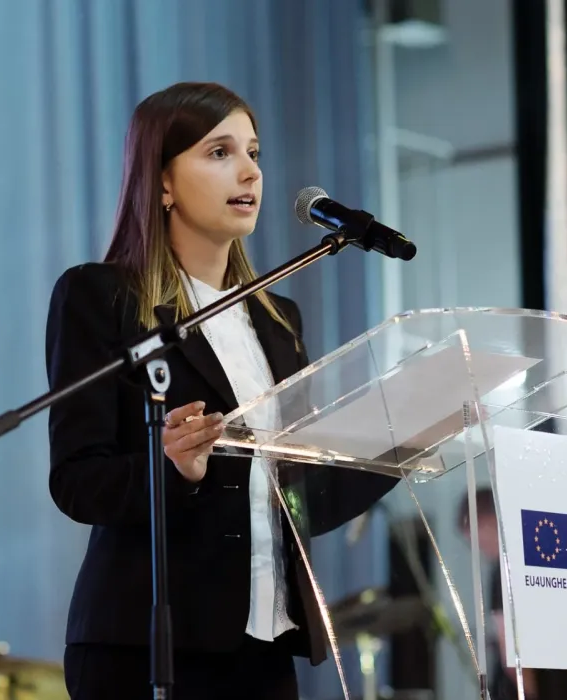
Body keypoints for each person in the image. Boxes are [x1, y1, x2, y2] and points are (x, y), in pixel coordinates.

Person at [45, 81, 397, 699]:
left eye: (253, 153)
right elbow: (77, 480)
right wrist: (172, 468)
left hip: (264, 647)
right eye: (219, 152)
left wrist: (401, 441)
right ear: (162, 183)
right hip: (144, 649)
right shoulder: (102, 297)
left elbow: (299, 499)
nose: (250, 172)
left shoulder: (279, 321)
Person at [456, 488, 567, 700]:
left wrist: (530, 694)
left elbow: (510, 650)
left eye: (478, 540)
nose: (479, 549)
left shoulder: (503, 571)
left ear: (488, 521)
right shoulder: (538, 560)